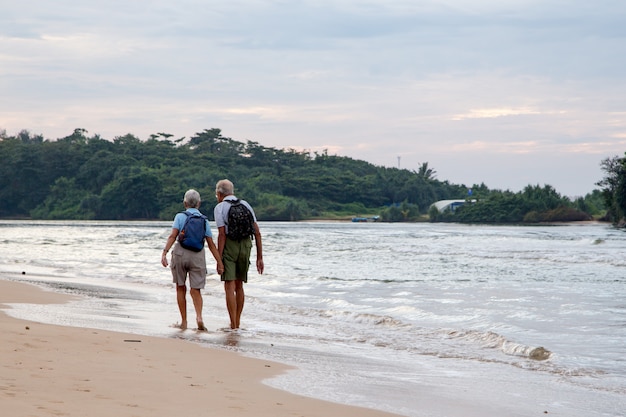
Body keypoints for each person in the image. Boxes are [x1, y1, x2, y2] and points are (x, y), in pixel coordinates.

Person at [161, 189, 223, 331]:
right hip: (198, 255)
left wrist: (165, 252)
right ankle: (199, 317)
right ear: (199, 204)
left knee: (180, 287)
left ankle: (184, 322)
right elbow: (211, 243)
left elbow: (173, 236)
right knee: (196, 289)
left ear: (185, 203)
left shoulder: (179, 217)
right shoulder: (204, 219)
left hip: (180, 253)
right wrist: (219, 262)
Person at [214, 179, 264, 330]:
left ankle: (233, 324)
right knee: (239, 285)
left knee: (229, 286)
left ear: (219, 194)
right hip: (246, 245)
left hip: (230, 244)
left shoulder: (220, 207)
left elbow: (222, 234)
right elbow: (257, 232)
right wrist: (259, 257)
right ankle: (238, 322)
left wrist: (219, 259)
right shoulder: (246, 205)